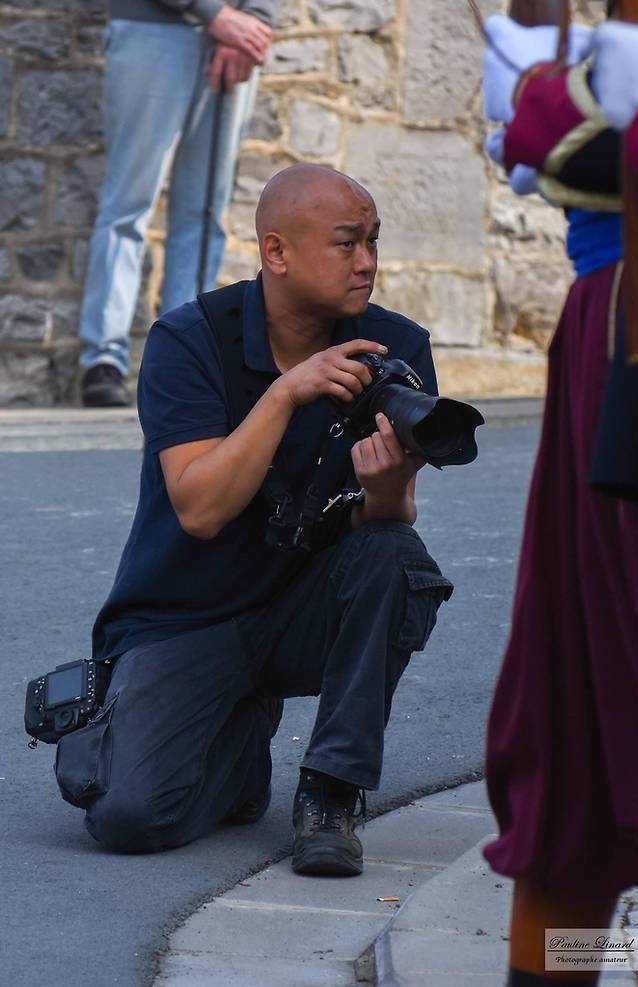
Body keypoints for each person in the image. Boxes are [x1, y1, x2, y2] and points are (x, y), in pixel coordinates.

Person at [54, 164, 454, 876]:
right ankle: (235, 750)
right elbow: (201, 509)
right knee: (128, 816)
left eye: (373, 242)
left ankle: (331, 792)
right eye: (345, 243)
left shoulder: (395, 348)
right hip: (183, 618)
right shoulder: (190, 341)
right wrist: (285, 395)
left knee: (396, 552)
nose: (366, 262)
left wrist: (389, 486)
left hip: (296, 612)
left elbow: (384, 524)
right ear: (276, 252)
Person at [481, 9, 638, 986]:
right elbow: (550, 130)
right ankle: (573, 963)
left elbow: (568, 130)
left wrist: (556, 101)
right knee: (578, 729)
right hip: (615, 340)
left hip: (633, 336)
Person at [78, 0, 278, 408]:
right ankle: (103, 359)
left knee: (205, 210)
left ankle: (185, 356)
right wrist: (216, 15)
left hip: (233, 42)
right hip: (152, 29)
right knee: (128, 207)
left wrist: (253, 21)